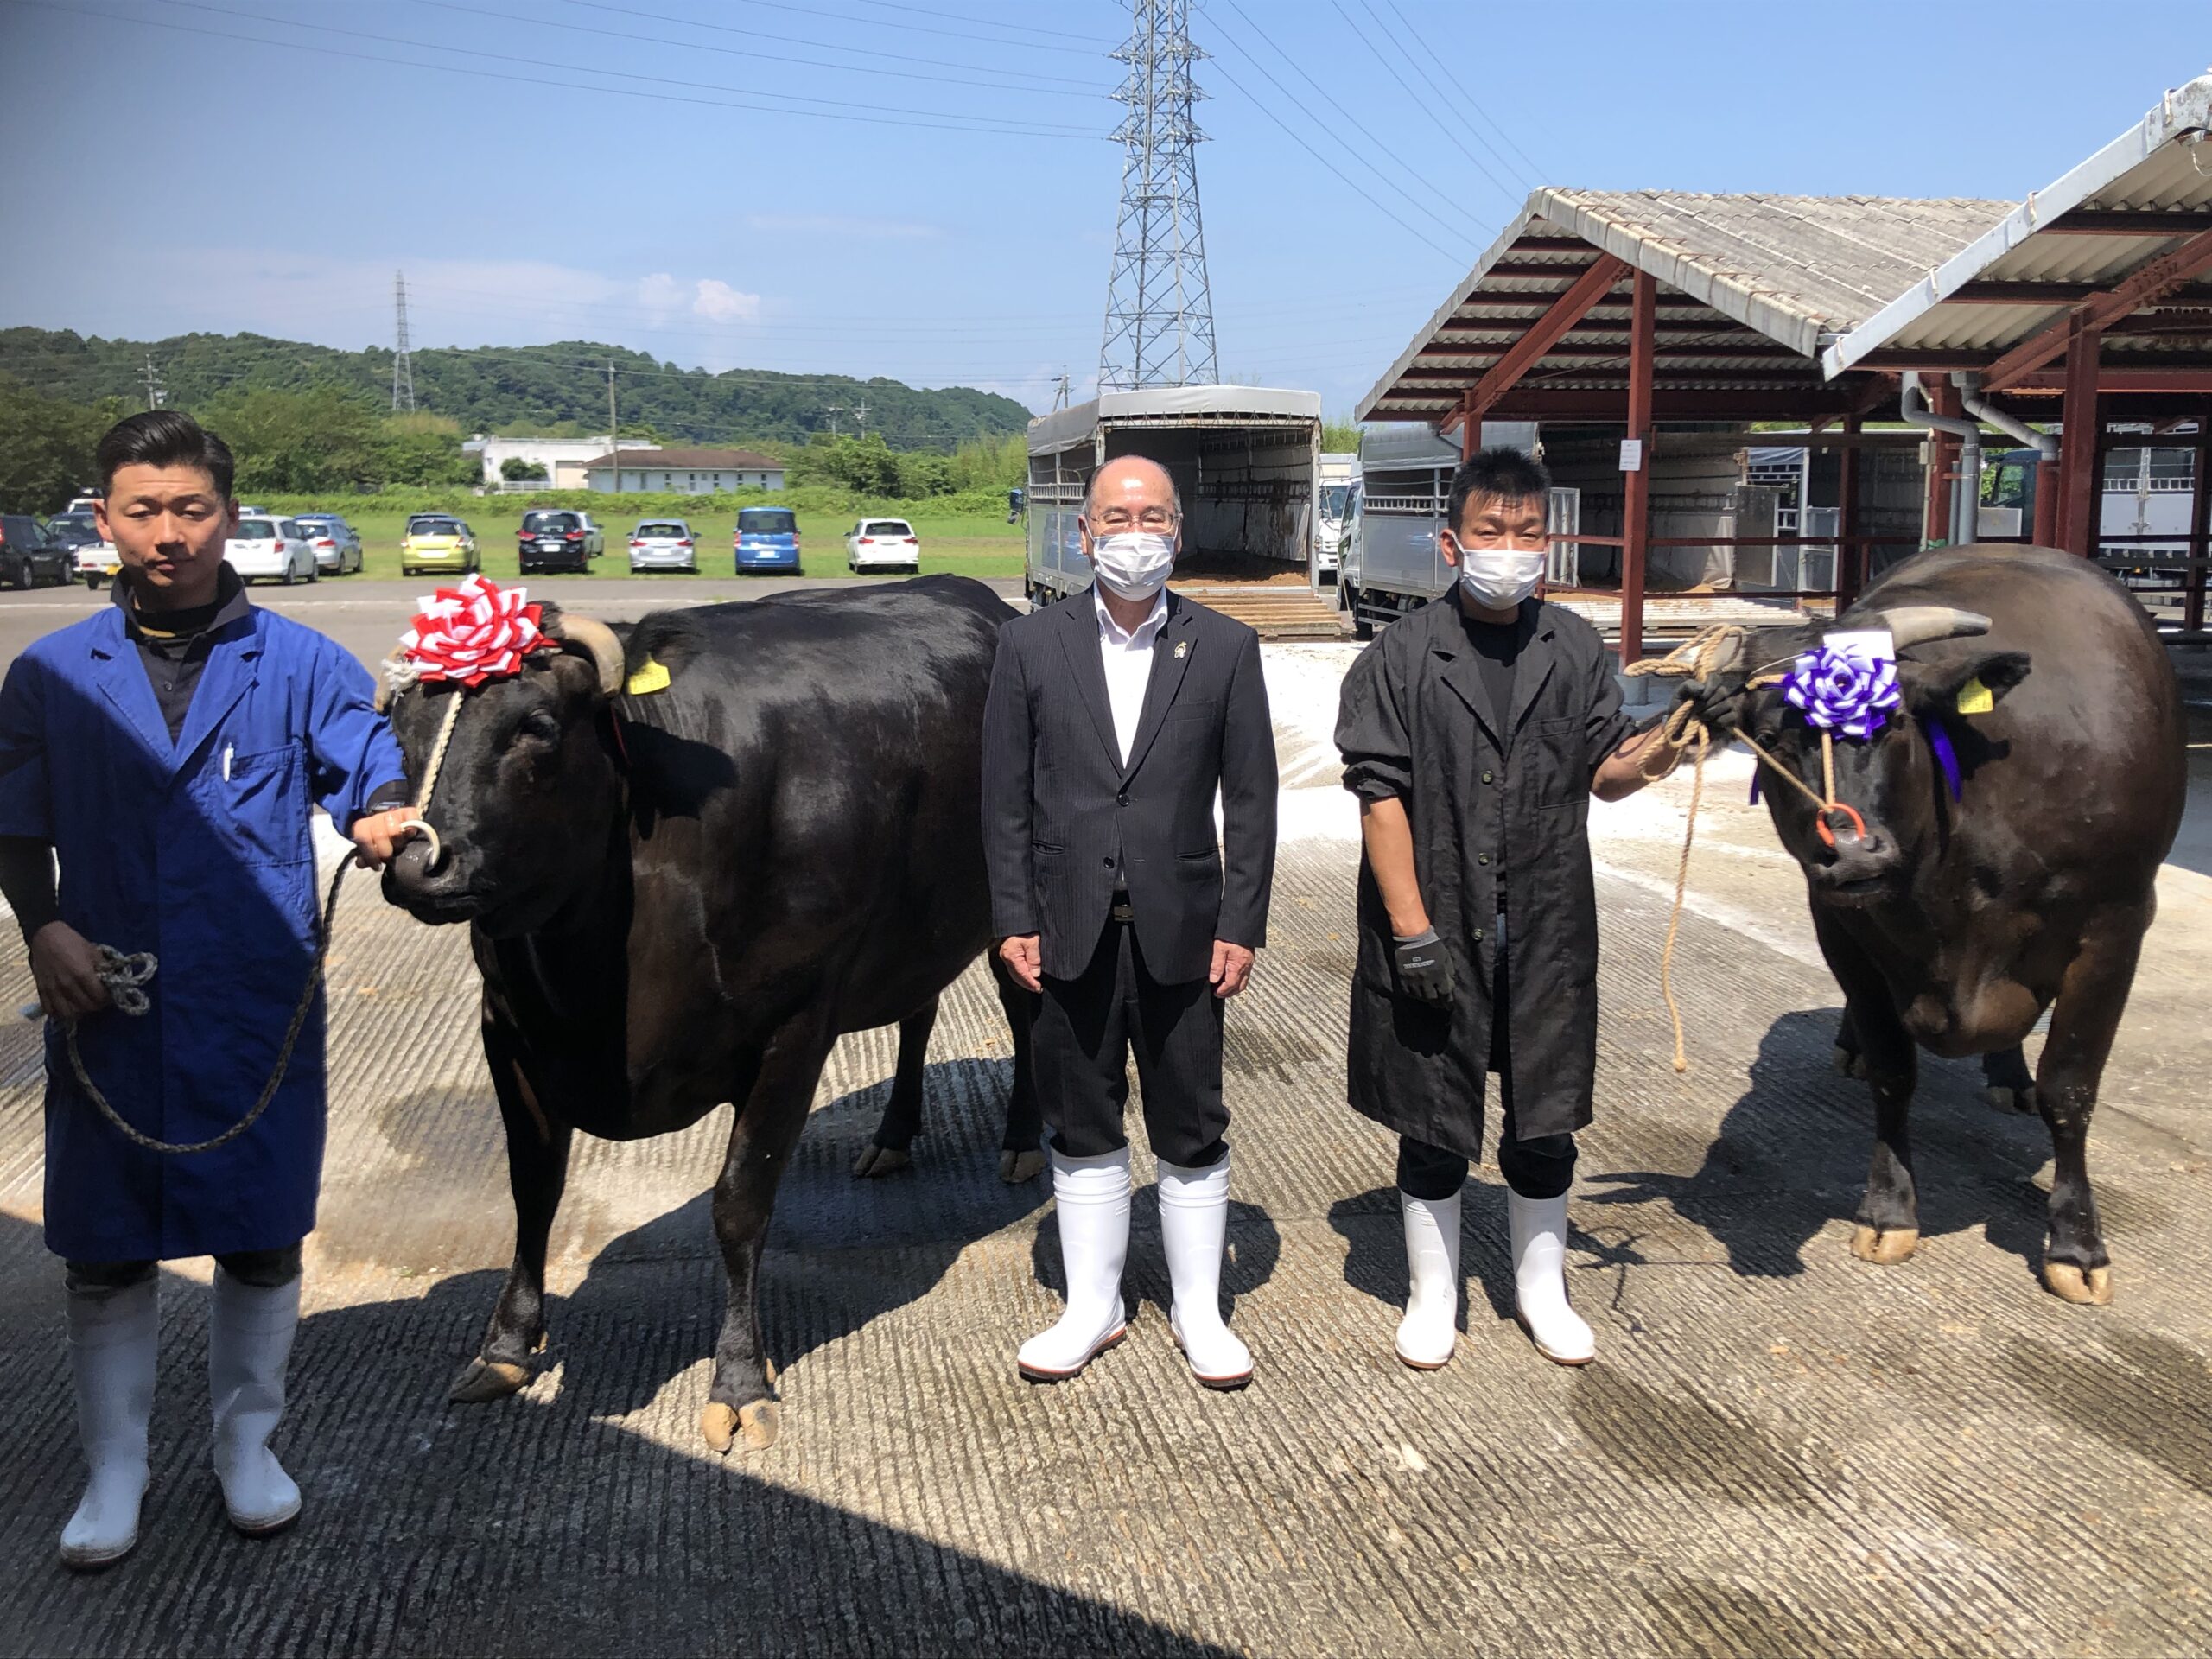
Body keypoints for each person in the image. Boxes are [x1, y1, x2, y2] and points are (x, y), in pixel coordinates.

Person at [0, 413, 422, 1569]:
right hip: (109, 999)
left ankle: (248, 1449)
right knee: (104, 1238)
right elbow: (12, 826)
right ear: (104, 522)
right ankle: (116, 1470)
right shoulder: (47, 674)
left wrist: (381, 814)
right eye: (144, 510)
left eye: (192, 509)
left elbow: (365, 766)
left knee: (261, 1228)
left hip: (256, 997)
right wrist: (44, 928)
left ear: (230, 518)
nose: (170, 533)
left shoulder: (301, 662)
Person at [1333, 448, 1687, 1370]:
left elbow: (1605, 771)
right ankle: (1431, 1294)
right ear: (1452, 543)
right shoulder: (1399, 658)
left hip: (1545, 925)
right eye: (1491, 532)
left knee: (1545, 1119)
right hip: (1437, 920)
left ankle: (1541, 1291)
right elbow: (1381, 799)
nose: (1511, 549)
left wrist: (1669, 746)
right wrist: (1410, 932)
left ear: (1549, 544)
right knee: (1433, 1119)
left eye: (1528, 534)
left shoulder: (1574, 646)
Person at [982, 454, 1278, 1389]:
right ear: (1083, 533)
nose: (1133, 534)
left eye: (1151, 516)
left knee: (1190, 1119)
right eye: (1115, 517)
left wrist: (1243, 921)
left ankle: (1199, 1311)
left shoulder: (1225, 648)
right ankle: (1093, 1304)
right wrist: (1011, 916)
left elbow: (1253, 800)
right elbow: (1004, 801)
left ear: (1177, 531)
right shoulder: (1030, 647)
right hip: (1065, 924)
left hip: (1185, 926)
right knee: (1080, 1117)